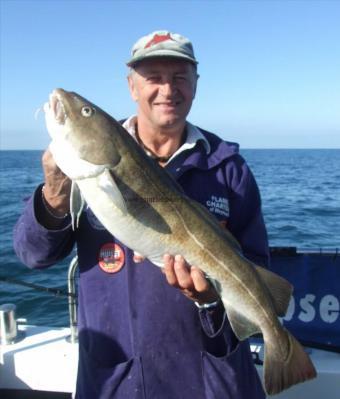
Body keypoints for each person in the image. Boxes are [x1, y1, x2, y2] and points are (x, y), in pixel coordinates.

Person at [13, 31, 269, 399]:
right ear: (132, 86)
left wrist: (210, 300)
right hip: (118, 383)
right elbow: (32, 255)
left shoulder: (229, 168)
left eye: (180, 76)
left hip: (212, 382)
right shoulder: (87, 169)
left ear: (196, 84)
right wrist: (54, 193)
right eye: (154, 77)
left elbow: (259, 265)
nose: (168, 89)